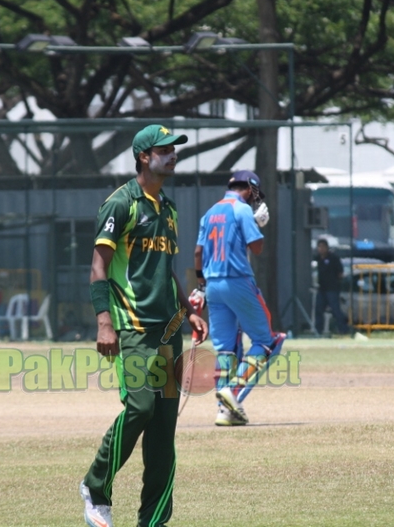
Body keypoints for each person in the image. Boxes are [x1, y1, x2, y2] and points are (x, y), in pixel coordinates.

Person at [80, 124, 208, 527]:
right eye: (164, 149)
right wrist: (104, 323)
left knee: (163, 435)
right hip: (132, 329)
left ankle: (153, 521)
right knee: (140, 407)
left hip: (169, 332)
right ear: (143, 157)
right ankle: (95, 487)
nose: (172, 154)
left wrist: (188, 309)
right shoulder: (121, 204)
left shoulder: (168, 209)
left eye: (174, 149)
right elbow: (98, 268)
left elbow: (165, 268)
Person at [194, 170, 285, 427]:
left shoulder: (209, 212)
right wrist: (257, 224)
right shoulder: (242, 208)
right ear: (249, 187)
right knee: (268, 342)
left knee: (226, 349)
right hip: (238, 282)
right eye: (255, 193)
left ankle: (224, 411)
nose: (256, 199)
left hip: (212, 285)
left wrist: (201, 284)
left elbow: (198, 253)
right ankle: (233, 392)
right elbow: (257, 247)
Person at [314, 238, 351, 335]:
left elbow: (340, 273)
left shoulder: (334, 258)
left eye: (323, 247)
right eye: (319, 247)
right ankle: (318, 330)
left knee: (335, 309)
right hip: (322, 289)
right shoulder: (317, 258)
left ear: (327, 247)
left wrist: (336, 282)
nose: (321, 249)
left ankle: (343, 329)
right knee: (318, 309)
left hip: (332, 289)